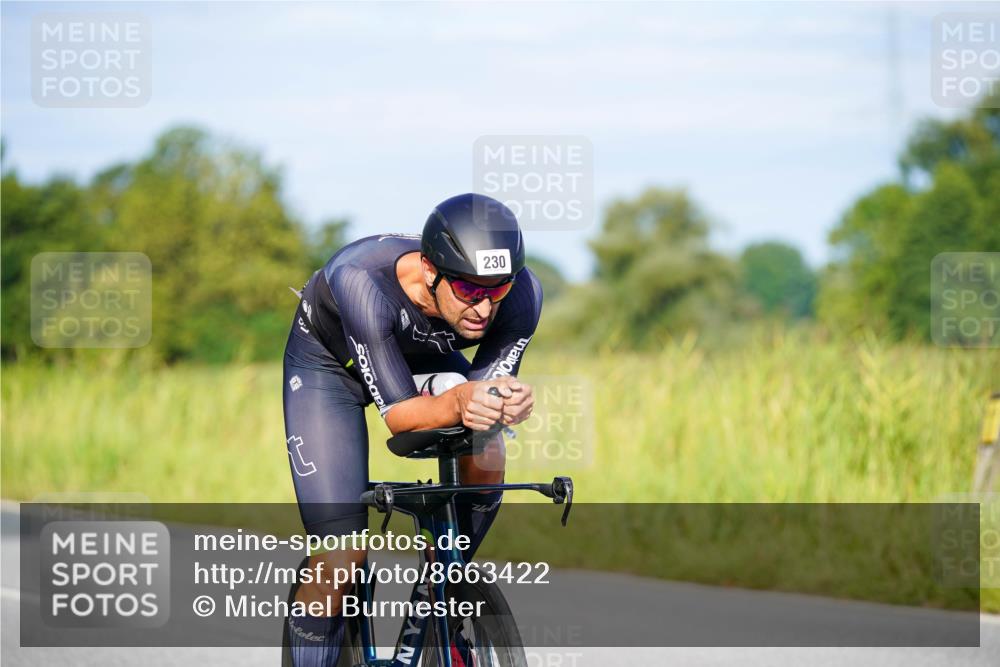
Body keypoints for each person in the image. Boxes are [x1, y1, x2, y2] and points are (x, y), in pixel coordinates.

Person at [282, 193, 543, 666]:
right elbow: (400, 419)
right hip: (330, 369)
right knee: (341, 562)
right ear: (429, 270)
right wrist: (461, 399)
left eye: (497, 289)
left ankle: (443, 587)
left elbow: (481, 398)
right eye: (468, 290)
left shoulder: (523, 294)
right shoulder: (361, 279)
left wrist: (500, 402)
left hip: (422, 359)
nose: (484, 309)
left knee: (488, 450)